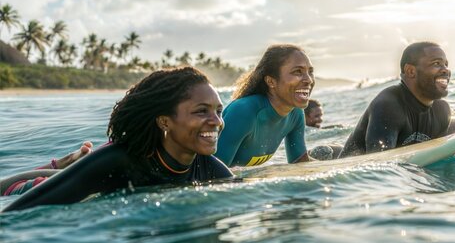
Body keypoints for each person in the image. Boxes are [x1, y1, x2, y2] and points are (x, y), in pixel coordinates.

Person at [2, 67, 233, 212]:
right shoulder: (118, 161)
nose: (216, 121)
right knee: (33, 184)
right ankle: (64, 164)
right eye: (201, 111)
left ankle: (68, 164)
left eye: (219, 111)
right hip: (33, 187)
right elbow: (16, 214)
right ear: (164, 122)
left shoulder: (214, 172)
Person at [339, 41, 455, 158]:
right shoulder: (388, 106)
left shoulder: (442, 111)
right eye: (436, 63)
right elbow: (379, 166)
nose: (446, 70)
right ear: (410, 71)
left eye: (446, 64)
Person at [214, 44, 314, 167]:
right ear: (271, 81)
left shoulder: (296, 113)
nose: (309, 79)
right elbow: (212, 176)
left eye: (310, 72)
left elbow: (300, 165)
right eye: (297, 71)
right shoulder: (243, 112)